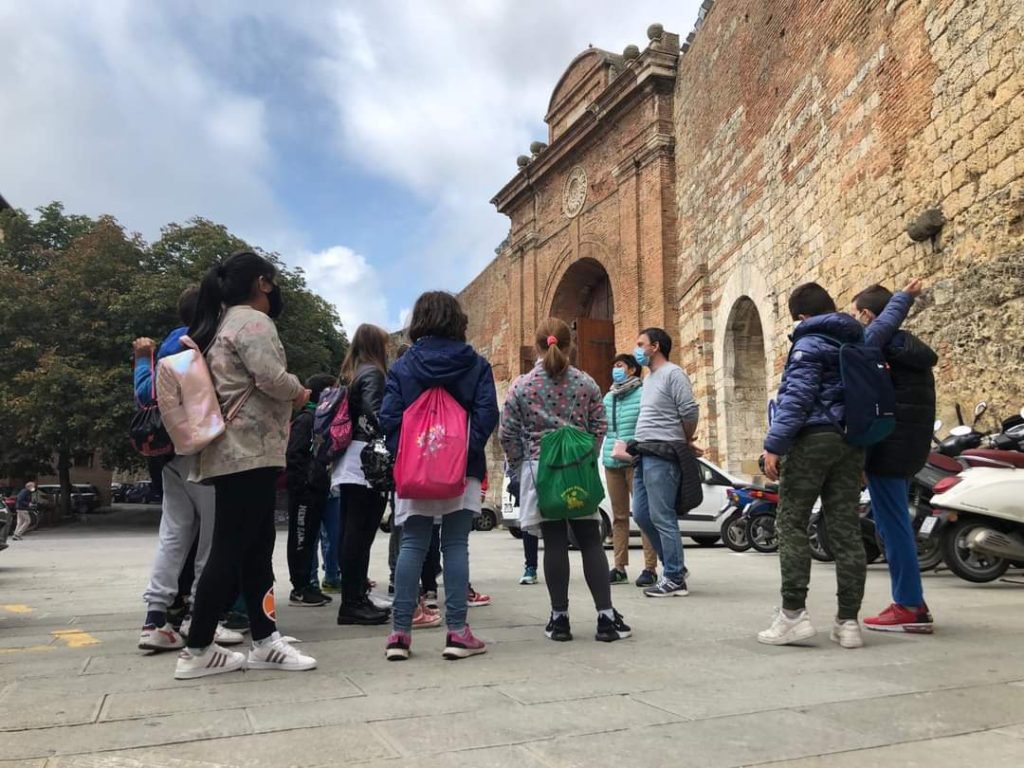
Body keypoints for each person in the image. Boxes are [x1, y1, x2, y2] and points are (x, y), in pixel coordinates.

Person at [174, 250, 316, 679]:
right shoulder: (252, 322)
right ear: (262, 282)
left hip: (240, 452)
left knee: (255, 549)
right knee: (231, 549)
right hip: (247, 451)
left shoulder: (222, 324)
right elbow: (271, 378)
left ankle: (265, 637)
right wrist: (299, 391)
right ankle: (197, 648)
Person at [380, 291, 499, 661]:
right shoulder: (476, 365)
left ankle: (400, 634)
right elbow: (486, 414)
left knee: (413, 543)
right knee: (455, 544)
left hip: (415, 466)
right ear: (456, 320)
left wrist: (415, 450)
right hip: (462, 468)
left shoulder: (402, 366)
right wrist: (462, 449)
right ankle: (457, 633)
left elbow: (388, 417)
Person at [758, 281, 877, 649]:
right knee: (844, 529)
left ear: (803, 317)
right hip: (851, 442)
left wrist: (774, 446)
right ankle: (848, 623)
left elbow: (797, 397)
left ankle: (793, 615)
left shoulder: (808, 344)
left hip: (813, 440)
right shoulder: (858, 342)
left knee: (791, 521)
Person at [501, 318, 631, 644]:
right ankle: (605, 617)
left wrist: (519, 467)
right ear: (569, 345)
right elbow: (600, 425)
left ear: (538, 346)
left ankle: (560, 619)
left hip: (540, 470)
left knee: (555, 542)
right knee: (589, 540)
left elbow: (507, 434)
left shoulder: (522, 386)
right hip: (577, 468)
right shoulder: (585, 383)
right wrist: (587, 456)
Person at [134, 286, 243, 652]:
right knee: (211, 539)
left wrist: (141, 360)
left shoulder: (167, 345)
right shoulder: (205, 344)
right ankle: (201, 617)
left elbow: (146, 395)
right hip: (205, 449)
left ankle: (155, 618)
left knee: (174, 532)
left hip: (170, 454)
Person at [852, 281, 934, 633]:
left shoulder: (881, 349)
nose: (856, 321)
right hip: (909, 448)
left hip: (888, 449)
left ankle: (909, 606)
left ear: (869, 315)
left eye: (858, 314)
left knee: (893, 526)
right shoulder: (908, 349)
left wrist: (863, 455)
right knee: (892, 524)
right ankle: (912, 598)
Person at [630, 328, 699, 598]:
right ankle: (676, 567)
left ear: (655, 346)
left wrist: (683, 439)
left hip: (663, 453)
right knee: (643, 514)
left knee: (662, 516)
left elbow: (689, 411)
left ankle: (673, 577)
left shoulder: (674, 373)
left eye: (640, 344)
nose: (637, 349)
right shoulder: (649, 379)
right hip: (643, 453)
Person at [332, 323, 392, 626]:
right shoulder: (373, 373)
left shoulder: (353, 371)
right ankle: (352, 602)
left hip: (351, 459)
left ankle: (354, 597)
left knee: (351, 531)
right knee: (360, 533)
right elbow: (375, 411)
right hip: (366, 461)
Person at [602, 353, 659, 587]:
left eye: (620, 365)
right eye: (614, 365)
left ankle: (650, 568)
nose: (616, 369)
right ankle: (619, 567)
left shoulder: (643, 393)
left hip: (635, 460)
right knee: (619, 517)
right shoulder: (608, 397)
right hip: (611, 460)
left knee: (644, 515)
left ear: (632, 370)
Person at [286, 373, 338, 607]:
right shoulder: (307, 420)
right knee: (301, 538)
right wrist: (304, 484)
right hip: (305, 492)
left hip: (317, 489)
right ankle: (300, 587)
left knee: (309, 539)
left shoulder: (322, 419)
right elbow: (295, 455)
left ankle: (307, 585)